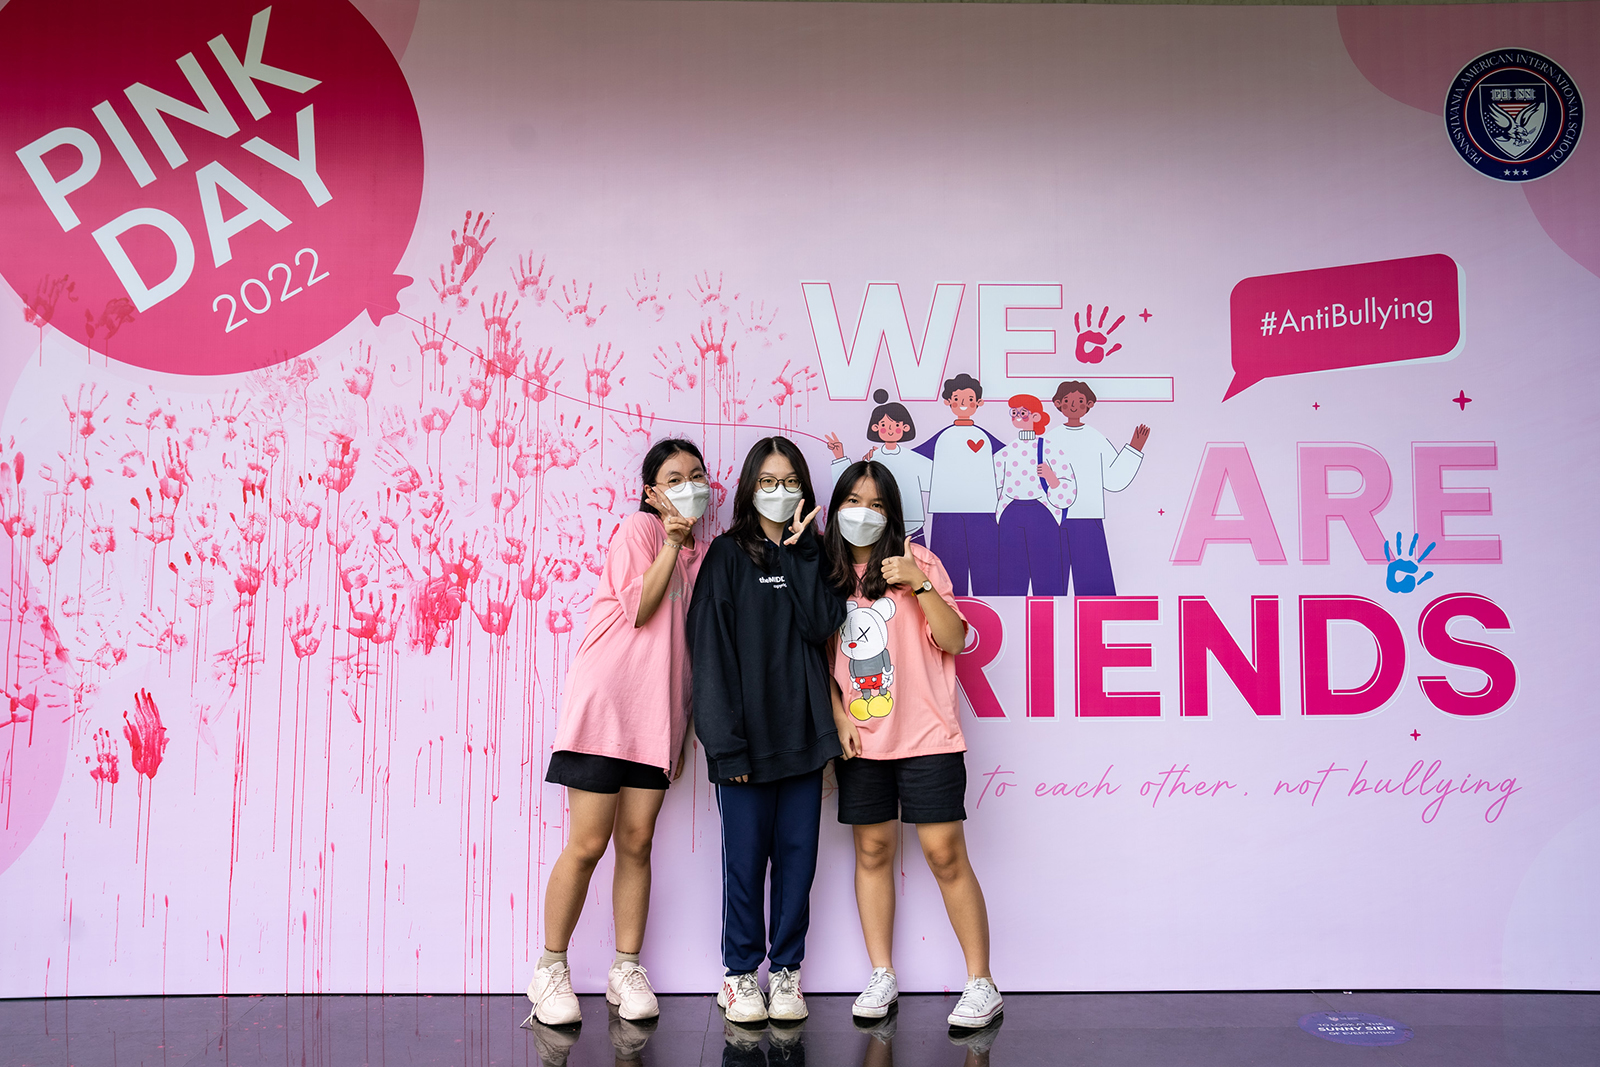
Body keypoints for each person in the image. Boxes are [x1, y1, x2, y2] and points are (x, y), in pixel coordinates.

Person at [525, 438, 711, 1028]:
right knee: (588, 843)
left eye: (697, 475)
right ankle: (550, 968)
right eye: (674, 478)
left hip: (658, 719)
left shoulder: (706, 556)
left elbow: (690, 649)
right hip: (604, 709)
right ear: (652, 493)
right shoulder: (641, 530)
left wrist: (682, 729)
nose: (689, 486)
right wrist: (672, 541)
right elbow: (641, 609)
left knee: (637, 842)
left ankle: (625, 969)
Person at [822, 460, 1004, 1030]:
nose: (864, 513)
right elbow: (816, 659)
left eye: (877, 505)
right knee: (873, 853)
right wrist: (838, 718)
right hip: (862, 737)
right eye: (854, 501)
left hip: (928, 737)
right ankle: (882, 973)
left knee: (945, 854)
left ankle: (982, 982)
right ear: (836, 508)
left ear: (893, 514)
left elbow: (955, 640)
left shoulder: (919, 562)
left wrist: (918, 583)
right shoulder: (824, 573)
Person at [689, 436, 846, 1025]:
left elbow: (822, 624)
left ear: (804, 489)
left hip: (804, 738)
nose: (780, 492)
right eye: (768, 482)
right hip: (745, 747)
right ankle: (738, 975)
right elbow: (709, 654)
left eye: (790, 482)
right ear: (750, 488)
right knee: (746, 862)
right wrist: (726, 747)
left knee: (799, 862)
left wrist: (801, 554)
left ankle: (786, 972)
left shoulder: (813, 554)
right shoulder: (727, 556)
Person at [1043, 381, 1151, 596]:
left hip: (1088, 517)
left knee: (1096, 590)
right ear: (1058, 404)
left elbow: (1113, 480)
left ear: (1089, 404)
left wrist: (1134, 449)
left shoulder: (1095, 438)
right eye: (1068, 401)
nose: (1073, 406)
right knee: (1049, 587)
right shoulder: (1050, 439)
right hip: (1053, 517)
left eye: (1080, 401)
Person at [913, 374, 1003, 596]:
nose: (963, 403)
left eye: (969, 399)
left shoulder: (984, 437)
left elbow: (1008, 457)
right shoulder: (942, 437)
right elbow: (912, 458)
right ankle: (947, 609)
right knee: (947, 569)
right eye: (957, 398)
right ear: (948, 402)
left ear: (979, 403)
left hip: (982, 509)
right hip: (947, 511)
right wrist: (878, 455)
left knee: (986, 566)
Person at [825, 388, 935, 543]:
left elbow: (936, 482)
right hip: (878, 527)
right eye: (884, 425)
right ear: (875, 427)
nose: (890, 430)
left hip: (912, 526)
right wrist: (840, 457)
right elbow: (848, 487)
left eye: (895, 425)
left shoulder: (913, 458)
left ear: (905, 427)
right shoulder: (872, 458)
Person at [994, 394, 1076, 596]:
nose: (1017, 416)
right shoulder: (1006, 452)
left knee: (1047, 576)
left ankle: (1052, 611)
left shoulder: (1049, 449)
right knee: (1011, 578)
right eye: (1014, 412)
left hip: (1042, 513)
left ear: (1036, 417)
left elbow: (1068, 488)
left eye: (1023, 412)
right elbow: (992, 483)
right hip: (1011, 513)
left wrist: (1051, 478)